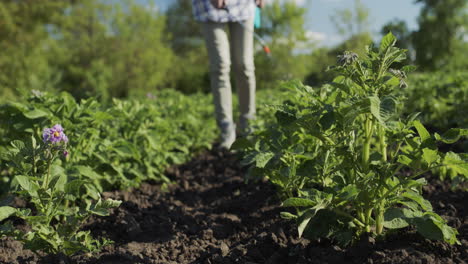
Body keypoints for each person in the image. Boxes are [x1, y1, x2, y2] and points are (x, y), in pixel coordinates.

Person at [192, 0, 265, 149]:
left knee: (245, 65)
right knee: (220, 66)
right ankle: (226, 128)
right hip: (209, 8)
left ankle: (248, 124)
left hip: (243, 6)